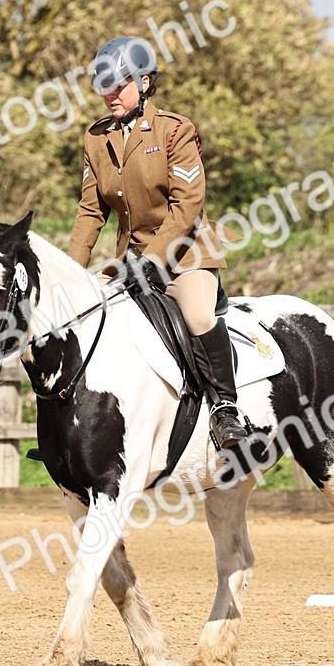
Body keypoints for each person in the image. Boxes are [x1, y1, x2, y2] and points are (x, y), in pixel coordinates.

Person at [68, 35, 248, 450]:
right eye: (103, 85)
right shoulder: (96, 139)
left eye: (119, 84)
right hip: (128, 261)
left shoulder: (175, 131)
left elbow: (187, 206)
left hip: (185, 255)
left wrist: (152, 261)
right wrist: (73, 273)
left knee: (199, 317)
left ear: (145, 83)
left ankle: (226, 409)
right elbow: (90, 213)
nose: (110, 94)